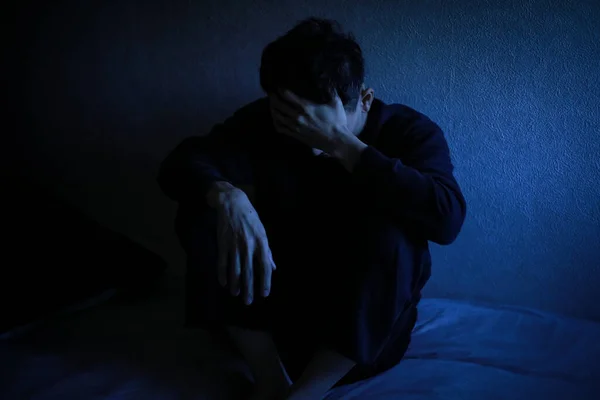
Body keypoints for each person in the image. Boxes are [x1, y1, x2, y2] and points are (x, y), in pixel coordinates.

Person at [158, 17, 466, 400]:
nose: (303, 139)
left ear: (365, 100)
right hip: (278, 318)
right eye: (291, 121)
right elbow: (181, 163)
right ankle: (270, 382)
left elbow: (447, 219)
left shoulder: (407, 132)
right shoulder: (269, 120)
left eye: (312, 124)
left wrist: (341, 145)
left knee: (397, 230)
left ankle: (304, 396)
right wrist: (226, 195)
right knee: (203, 207)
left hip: (360, 338)